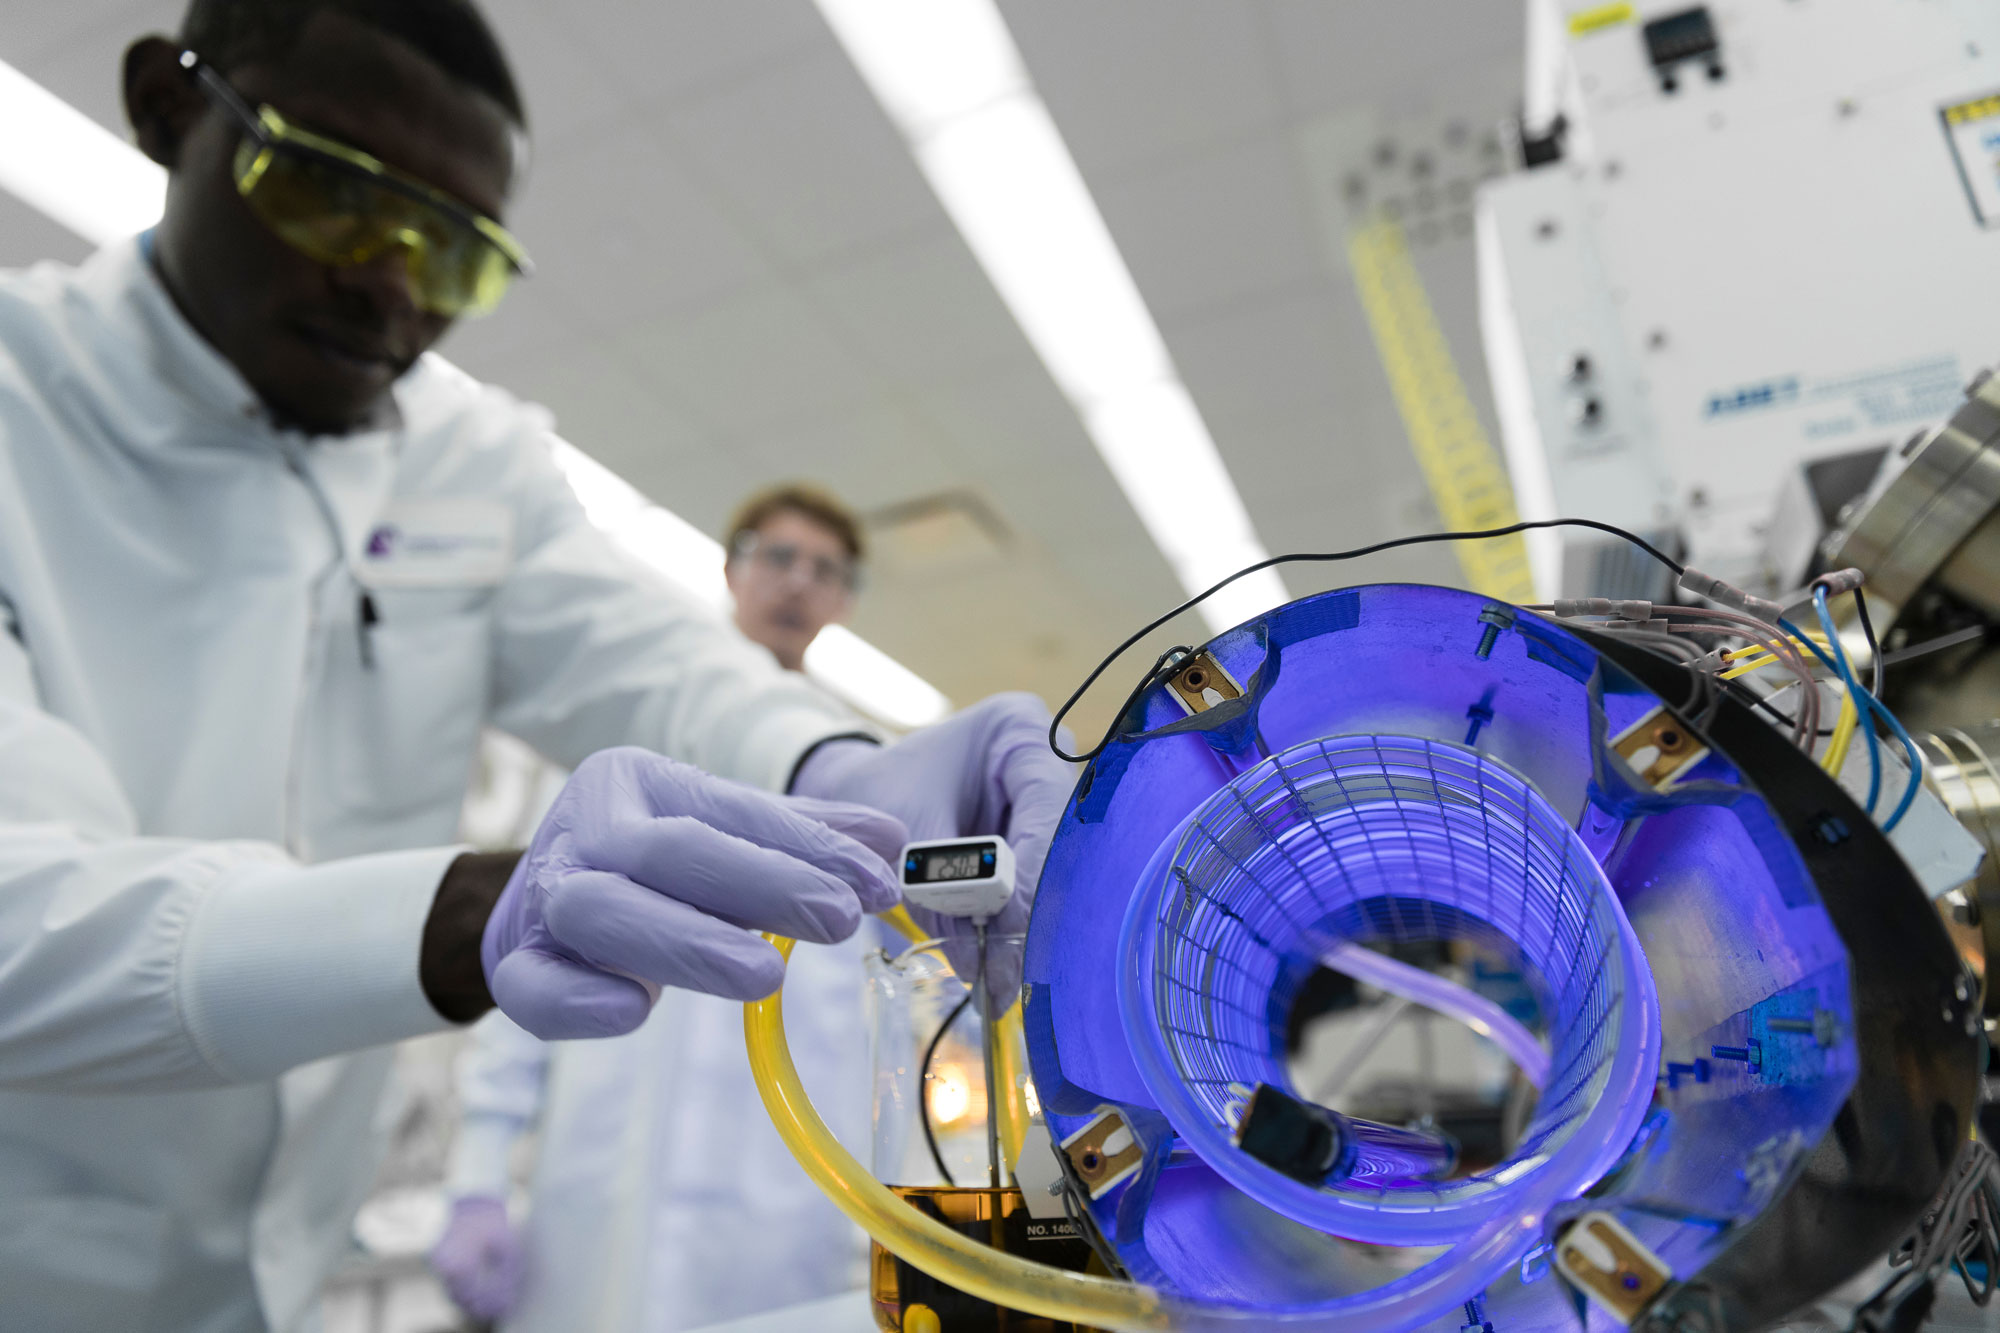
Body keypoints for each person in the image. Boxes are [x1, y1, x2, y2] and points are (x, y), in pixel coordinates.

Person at [0, 3, 1064, 1330]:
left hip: (283, 1281)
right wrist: (459, 918)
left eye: (452, 253)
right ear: (166, 107)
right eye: (333, 194)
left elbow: (655, 660)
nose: (390, 283)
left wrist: (841, 763)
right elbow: (16, 910)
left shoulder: (470, 456)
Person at [431, 486, 886, 1330]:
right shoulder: (616, 759)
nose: (798, 584)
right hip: (605, 1189)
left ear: (844, 601)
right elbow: (525, 958)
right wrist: (480, 1175)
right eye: (778, 557)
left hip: (789, 1206)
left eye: (825, 570)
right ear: (731, 567)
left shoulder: (866, 778)